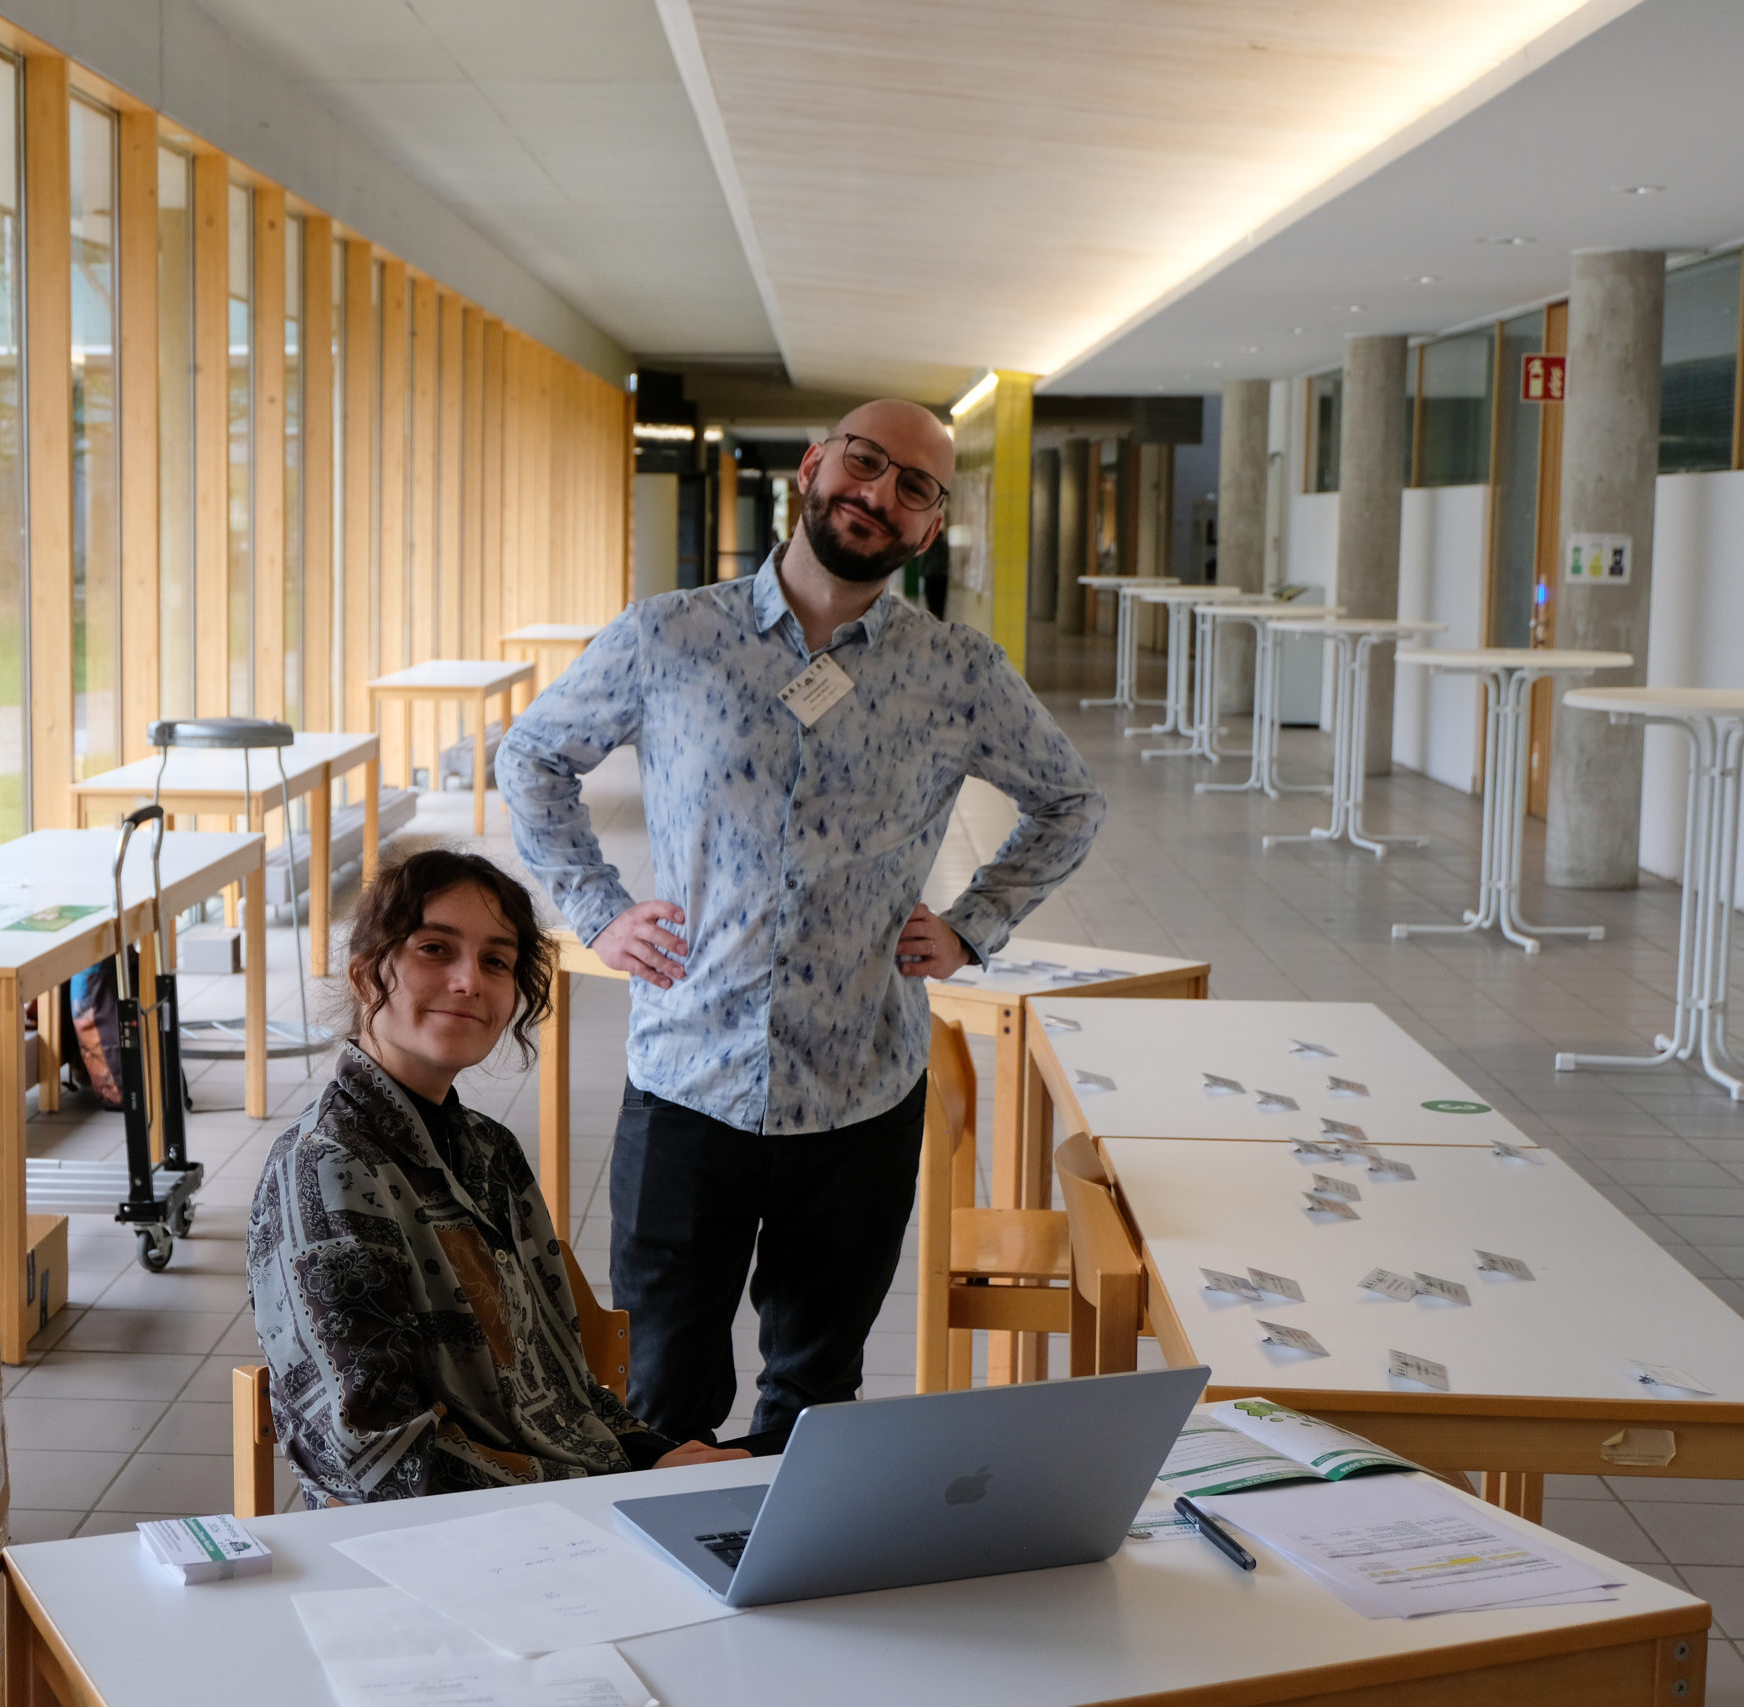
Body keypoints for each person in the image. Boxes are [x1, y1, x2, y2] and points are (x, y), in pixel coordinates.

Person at [495, 398, 1107, 1448]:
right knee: (662, 1401)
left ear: (928, 528)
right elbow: (531, 757)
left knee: (816, 1400)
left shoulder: (956, 674)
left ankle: (791, 1592)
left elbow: (1070, 802)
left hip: (858, 1099)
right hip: (687, 1085)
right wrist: (596, 911)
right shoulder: (668, 635)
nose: (879, 494)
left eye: (914, 487)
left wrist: (973, 926)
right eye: (864, 464)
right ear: (813, 468)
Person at [247, 848, 749, 1506]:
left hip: (567, 1503)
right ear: (368, 973)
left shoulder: (489, 1148)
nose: (468, 981)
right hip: (437, 1544)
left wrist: (656, 1454)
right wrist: (619, 1486)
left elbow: (563, 1385)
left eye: (496, 960)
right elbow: (377, 1460)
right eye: (435, 948)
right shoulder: (325, 1171)